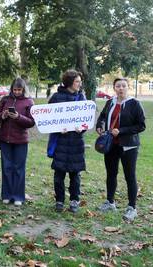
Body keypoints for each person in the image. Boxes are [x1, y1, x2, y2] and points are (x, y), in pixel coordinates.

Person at [96, 78, 146, 222]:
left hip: (129, 146)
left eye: (123, 86)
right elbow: (103, 116)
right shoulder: (110, 102)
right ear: (114, 88)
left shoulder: (134, 104)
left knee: (130, 176)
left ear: (128, 87)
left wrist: (122, 131)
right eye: (118, 86)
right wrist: (99, 125)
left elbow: (141, 125)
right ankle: (110, 202)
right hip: (111, 145)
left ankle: (132, 208)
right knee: (111, 174)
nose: (121, 88)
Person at [0, 78, 35, 206]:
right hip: (5, 139)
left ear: (23, 89)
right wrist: (3, 116)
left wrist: (18, 117)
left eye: (19, 90)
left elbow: (31, 122)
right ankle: (6, 195)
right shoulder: (5, 99)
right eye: (14, 89)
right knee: (6, 168)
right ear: (11, 89)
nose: (16, 92)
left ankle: (18, 197)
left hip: (21, 140)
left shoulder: (29, 102)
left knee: (18, 169)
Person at [48, 70, 86, 213]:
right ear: (70, 82)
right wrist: (58, 128)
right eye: (77, 81)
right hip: (61, 142)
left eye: (80, 81)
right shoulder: (56, 97)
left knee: (75, 175)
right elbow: (48, 119)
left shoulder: (81, 98)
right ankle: (59, 200)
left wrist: (80, 129)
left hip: (76, 143)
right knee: (59, 175)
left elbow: (85, 120)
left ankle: (74, 201)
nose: (79, 84)